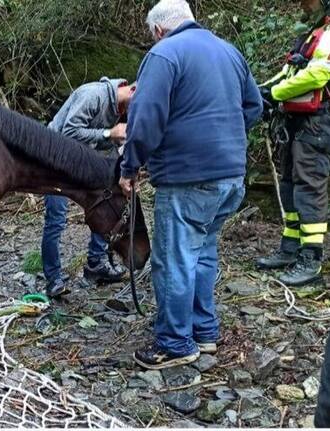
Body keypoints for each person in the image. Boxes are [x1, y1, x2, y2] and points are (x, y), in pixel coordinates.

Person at [119, 0, 262, 369]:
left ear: (159, 30)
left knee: (174, 260)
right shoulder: (228, 51)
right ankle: (205, 331)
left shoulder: (164, 54)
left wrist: (130, 165)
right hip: (230, 178)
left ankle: (174, 343)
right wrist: (223, 140)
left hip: (187, 180)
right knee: (202, 251)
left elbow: (145, 115)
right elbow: (254, 106)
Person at [256, 0, 330, 286]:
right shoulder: (313, 33)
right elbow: (292, 72)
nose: (302, 4)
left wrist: (274, 92)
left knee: (309, 186)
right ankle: (290, 248)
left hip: (318, 122)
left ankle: (311, 258)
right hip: (297, 121)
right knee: (289, 184)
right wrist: (263, 90)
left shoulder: (326, 35)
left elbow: (318, 74)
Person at [42, 78, 135, 298]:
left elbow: (97, 141)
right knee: (56, 219)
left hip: (79, 162)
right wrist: (108, 134)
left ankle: (96, 263)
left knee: (105, 205)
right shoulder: (93, 95)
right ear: (131, 90)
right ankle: (53, 278)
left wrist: (117, 144)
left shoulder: (119, 108)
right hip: (54, 161)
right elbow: (69, 133)